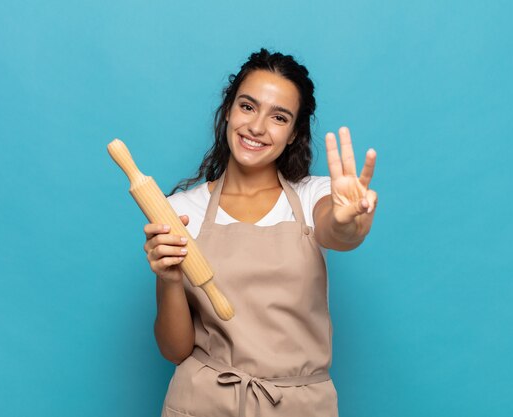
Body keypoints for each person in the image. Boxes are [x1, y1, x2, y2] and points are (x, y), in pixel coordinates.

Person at [143, 49, 378, 417]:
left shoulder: (313, 194)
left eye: (279, 116)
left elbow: (338, 231)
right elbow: (175, 350)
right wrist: (170, 278)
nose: (256, 127)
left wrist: (350, 222)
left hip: (300, 406)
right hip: (202, 401)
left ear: (293, 133)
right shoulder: (180, 211)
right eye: (248, 106)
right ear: (228, 110)